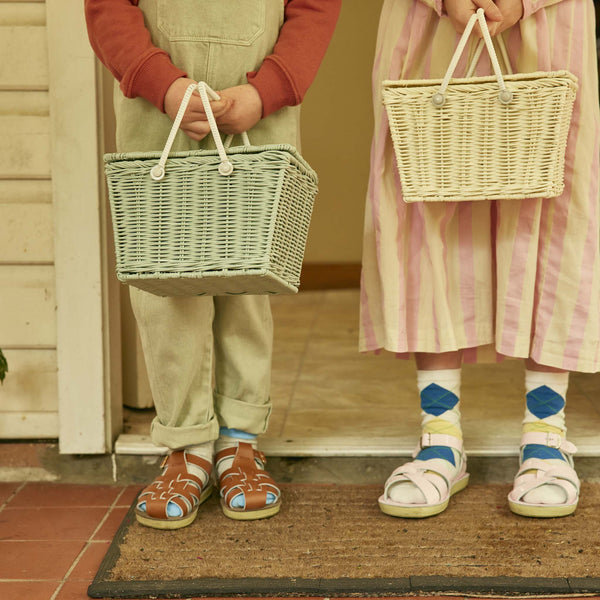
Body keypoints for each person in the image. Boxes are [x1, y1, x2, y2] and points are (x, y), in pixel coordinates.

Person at [85, 0, 341, 529]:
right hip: (159, 111)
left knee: (247, 279)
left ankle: (240, 441)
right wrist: (163, 83)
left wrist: (266, 91)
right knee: (166, 283)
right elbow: (107, 8)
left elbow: (315, 8)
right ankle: (187, 443)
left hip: (258, 109)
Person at [361, 0, 599, 518]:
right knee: (426, 196)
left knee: (555, 200)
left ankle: (546, 433)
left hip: (549, 17)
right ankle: (440, 435)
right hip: (430, 16)